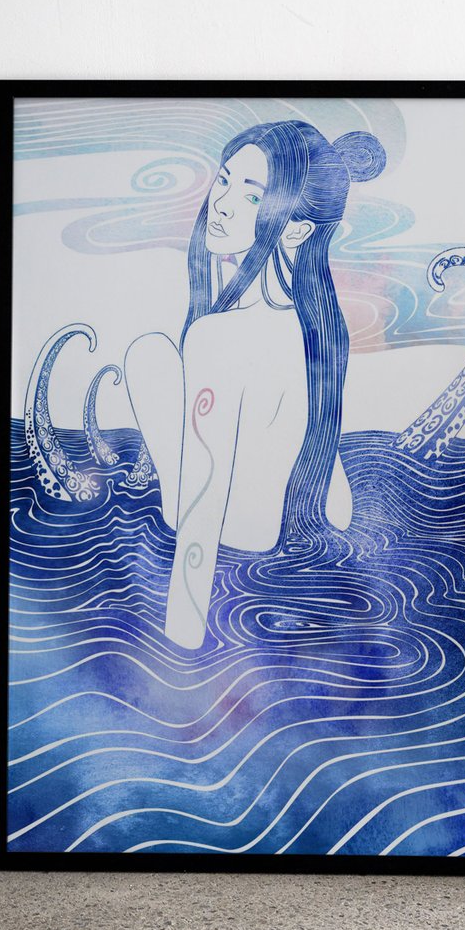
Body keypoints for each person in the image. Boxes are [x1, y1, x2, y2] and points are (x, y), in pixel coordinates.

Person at [124, 121, 386, 650]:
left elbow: (201, 518)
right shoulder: (315, 328)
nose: (220, 205)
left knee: (149, 354)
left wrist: (182, 643)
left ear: (296, 230)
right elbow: (336, 502)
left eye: (251, 195)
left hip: (230, 533)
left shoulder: (217, 336)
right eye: (223, 181)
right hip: (298, 526)